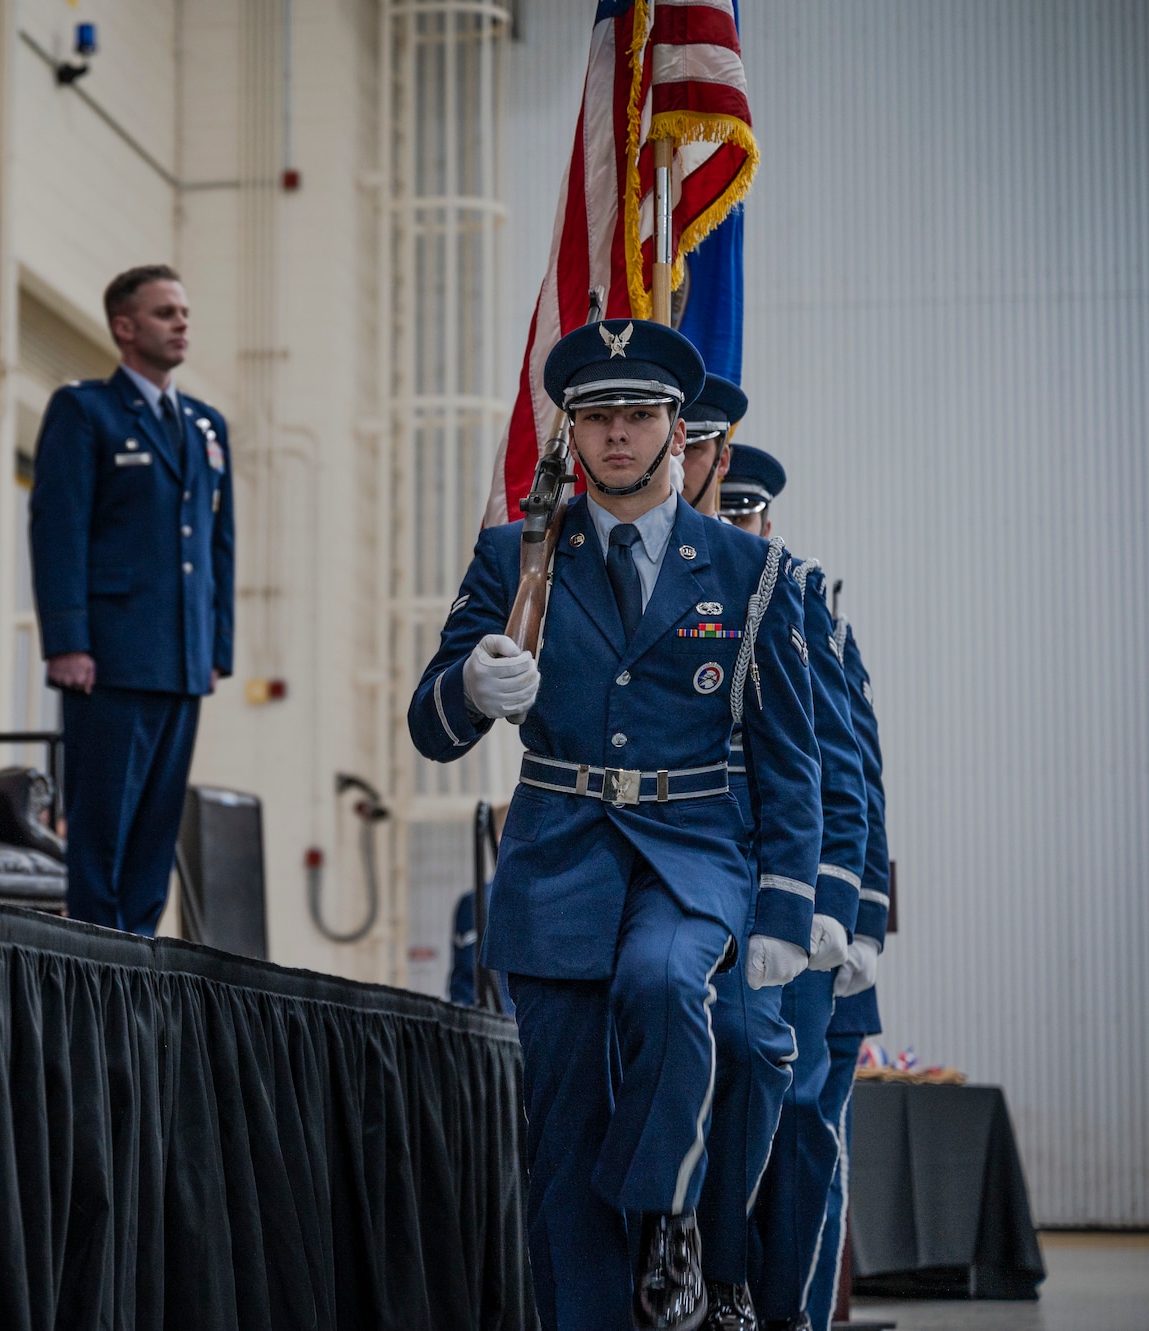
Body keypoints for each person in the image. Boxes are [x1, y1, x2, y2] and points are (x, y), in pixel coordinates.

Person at [409, 319, 822, 1331]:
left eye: (638, 414)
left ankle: (668, 1206)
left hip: (692, 852)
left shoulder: (744, 568)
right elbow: (428, 725)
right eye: (595, 417)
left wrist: (784, 904)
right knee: (561, 1128)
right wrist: (469, 682)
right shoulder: (516, 553)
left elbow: (788, 752)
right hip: (557, 853)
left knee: (666, 981)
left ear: (678, 431)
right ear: (571, 434)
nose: (617, 435)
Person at [698, 443, 870, 1331]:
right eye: (720, 508)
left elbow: (842, 774)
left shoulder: (794, 602)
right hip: (697, 890)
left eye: (746, 513)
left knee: (794, 1114)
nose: (733, 526)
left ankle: (783, 1310)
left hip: (784, 900)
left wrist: (845, 908)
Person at [28, 265, 234, 933]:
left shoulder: (206, 424)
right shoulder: (85, 410)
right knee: (104, 827)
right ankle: (97, 957)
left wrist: (217, 645)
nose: (182, 324)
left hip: (182, 656)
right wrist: (66, 641)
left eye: (184, 311)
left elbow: (217, 542)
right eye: (165, 312)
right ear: (125, 327)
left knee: (156, 828)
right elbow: (58, 530)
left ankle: (139, 960)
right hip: (110, 656)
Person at [805, 612, 889, 1331]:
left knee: (816, 1154)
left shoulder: (818, 628)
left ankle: (806, 1318)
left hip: (825, 952)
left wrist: (864, 922)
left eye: (747, 513)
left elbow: (859, 775)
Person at [678, 373, 745, 516]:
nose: (674, 460)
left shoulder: (735, 540)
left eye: (690, 447)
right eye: (665, 447)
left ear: (722, 461)